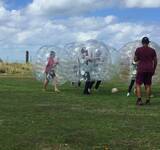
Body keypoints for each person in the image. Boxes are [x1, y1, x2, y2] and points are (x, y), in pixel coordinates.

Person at [134, 37, 157, 105]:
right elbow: (155, 61)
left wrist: (138, 58)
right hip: (149, 69)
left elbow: (135, 59)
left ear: (142, 42)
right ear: (148, 42)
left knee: (138, 84)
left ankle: (139, 100)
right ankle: (147, 100)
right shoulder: (152, 50)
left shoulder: (138, 50)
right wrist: (154, 69)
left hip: (141, 69)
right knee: (148, 85)